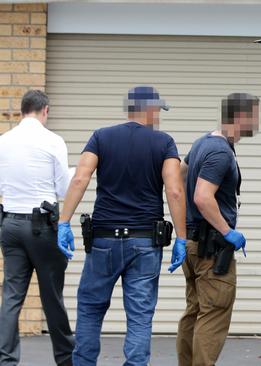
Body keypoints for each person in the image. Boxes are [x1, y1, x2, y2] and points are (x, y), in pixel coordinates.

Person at [56, 86, 187, 366]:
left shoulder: (101, 137)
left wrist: (63, 222)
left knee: (91, 308)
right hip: (144, 243)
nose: (159, 118)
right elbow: (175, 191)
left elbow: (80, 179)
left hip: (103, 240)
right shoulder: (164, 143)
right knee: (140, 314)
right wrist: (181, 238)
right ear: (149, 110)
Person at [176, 93, 260, 366]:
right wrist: (227, 231)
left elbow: (180, 173)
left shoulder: (202, 143)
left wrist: (185, 223)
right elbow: (202, 196)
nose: (257, 122)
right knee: (213, 314)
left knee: (195, 312)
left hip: (192, 244)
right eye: (255, 116)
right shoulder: (221, 151)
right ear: (240, 117)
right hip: (211, 250)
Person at [0, 90, 75, 366]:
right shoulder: (53, 140)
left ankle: (5, 360)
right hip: (41, 227)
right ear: (45, 110)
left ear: (22, 111)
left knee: (11, 296)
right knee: (52, 296)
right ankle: (66, 359)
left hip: (9, 224)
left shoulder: (3, 141)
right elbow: (63, 189)